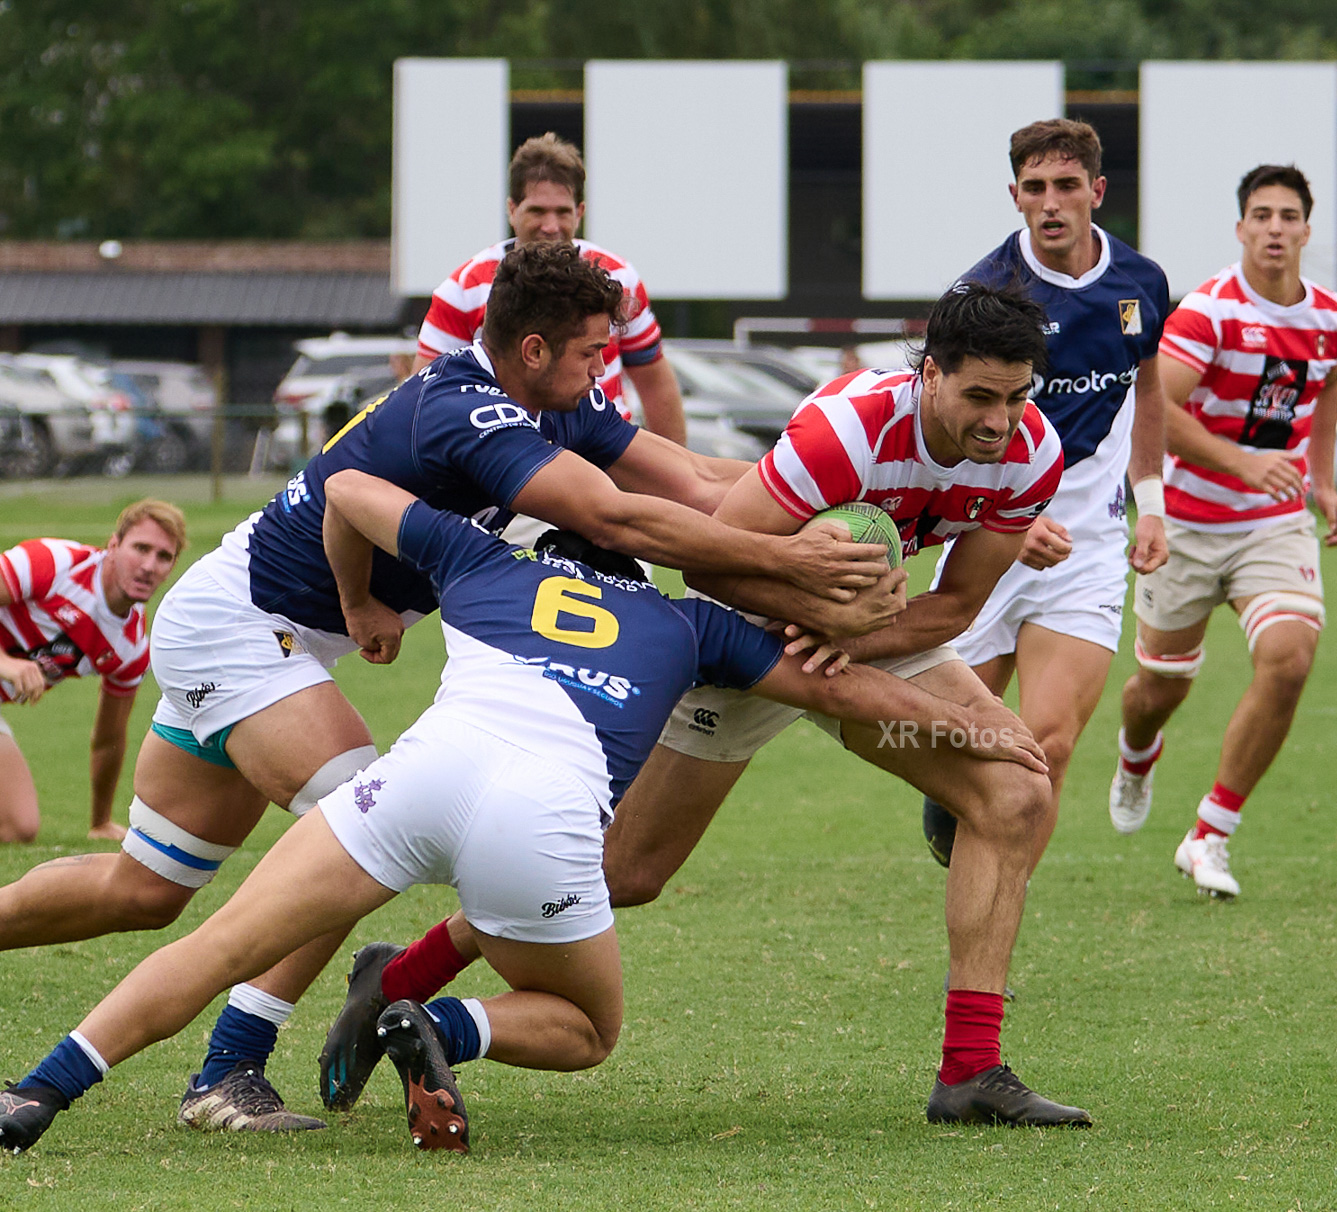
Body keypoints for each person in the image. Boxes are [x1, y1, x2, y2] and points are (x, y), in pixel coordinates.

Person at [0, 242, 893, 1133]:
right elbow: (615, 517)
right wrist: (789, 560)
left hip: (276, 641)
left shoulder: (561, 406)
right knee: (354, 819)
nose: (603, 373)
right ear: (533, 350)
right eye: (590, 354)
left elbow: (701, 480)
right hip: (240, 630)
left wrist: (840, 505)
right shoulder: (464, 407)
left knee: (144, 889)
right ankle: (229, 1069)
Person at [0, 469, 1040, 1157]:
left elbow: (354, 488)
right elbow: (856, 691)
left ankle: (37, 1092)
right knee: (587, 1028)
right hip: (540, 823)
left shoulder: (485, 559)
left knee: (218, 938)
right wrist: (990, 735)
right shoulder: (693, 625)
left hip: (419, 781)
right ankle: (444, 1020)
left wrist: (362, 602)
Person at [321, 284, 1094, 1129]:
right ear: (930, 375)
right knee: (626, 873)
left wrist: (846, 639)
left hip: (872, 637)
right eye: (980, 396)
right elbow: (712, 569)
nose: (999, 420)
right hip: (742, 640)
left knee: (1016, 788)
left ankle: (971, 1071)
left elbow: (953, 610)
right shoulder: (844, 429)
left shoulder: (1032, 450)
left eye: (1017, 396)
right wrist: (808, 624)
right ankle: (396, 980)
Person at [919, 117, 1168, 867]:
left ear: (1097, 191)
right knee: (941, 735)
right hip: (985, 537)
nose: (1051, 203)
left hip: (1088, 546)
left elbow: (1149, 395)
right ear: (1015, 195)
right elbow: (938, 426)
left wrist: (1151, 502)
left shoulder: (1141, 283)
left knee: (1046, 748)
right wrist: (1004, 518)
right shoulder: (983, 294)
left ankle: (994, 932)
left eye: (1066, 186)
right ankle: (949, 800)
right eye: (1035, 188)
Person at [1108, 164, 1337, 899]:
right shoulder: (1208, 314)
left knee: (1289, 656)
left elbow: (1326, 384)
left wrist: (1325, 478)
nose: (1275, 227)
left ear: (1308, 229)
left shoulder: (1335, 318)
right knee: (1158, 687)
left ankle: (1210, 833)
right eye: (1261, 215)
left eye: (1288, 215)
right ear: (1242, 229)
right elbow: (1155, 413)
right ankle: (1136, 752)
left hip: (1271, 526)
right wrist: (1241, 462)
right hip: (1182, 524)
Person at [414, 132, 686, 445]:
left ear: (580, 212)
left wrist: (676, 469)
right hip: (508, 456)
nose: (551, 226)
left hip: (604, 450)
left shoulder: (619, 278)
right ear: (512, 209)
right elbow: (426, 391)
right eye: (537, 211)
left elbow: (655, 383)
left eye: (562, 211)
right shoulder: (464, 289)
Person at [0, 501, 186, 843]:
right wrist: (6, 663)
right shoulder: (53, 564)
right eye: (140, 548)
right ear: (113, 546)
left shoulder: (131, 647)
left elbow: (108, 739)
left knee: (18, 827)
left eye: (163, 557)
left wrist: (100, 821)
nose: (148, 566)